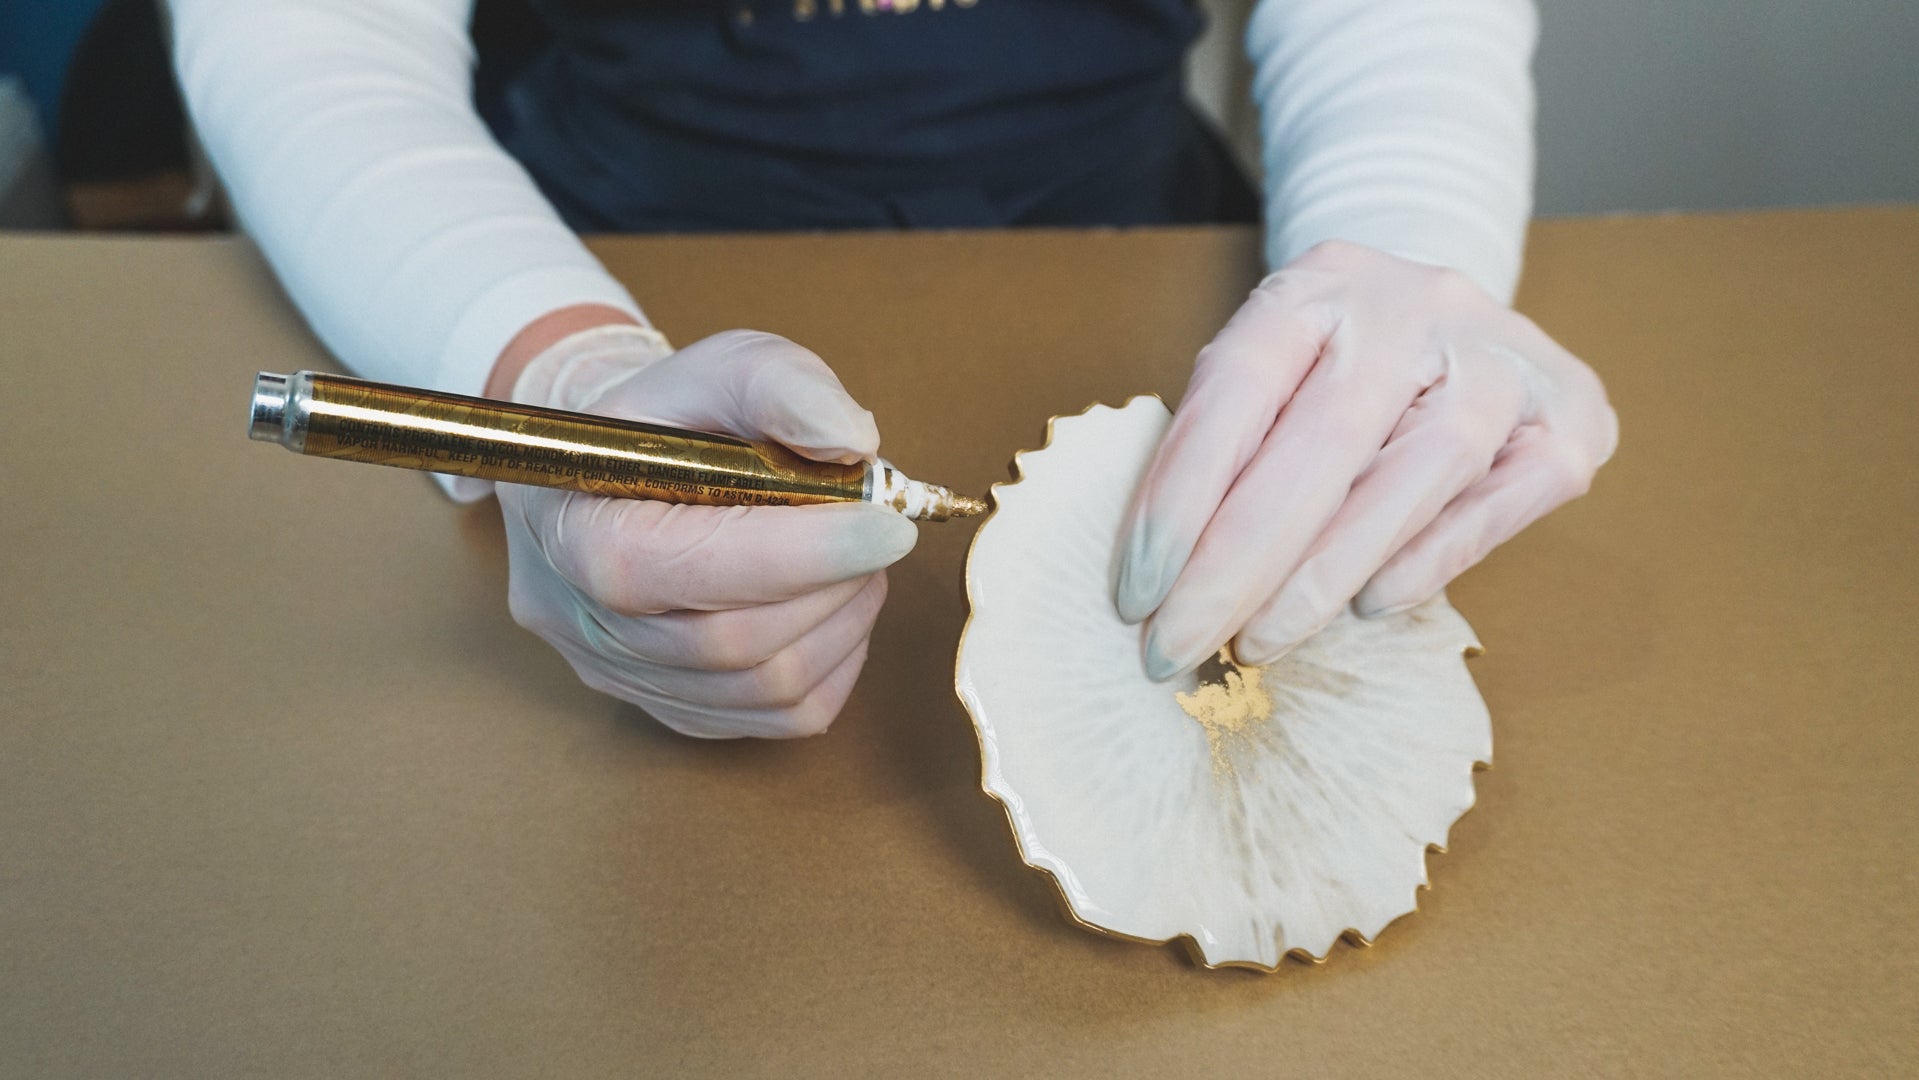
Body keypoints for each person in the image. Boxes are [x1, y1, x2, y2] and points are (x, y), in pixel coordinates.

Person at [169, 0, 1617, 739]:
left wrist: (1399, 257)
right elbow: (312, 27)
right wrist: (554, 377)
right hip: (568, 227)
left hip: (1130, 230)